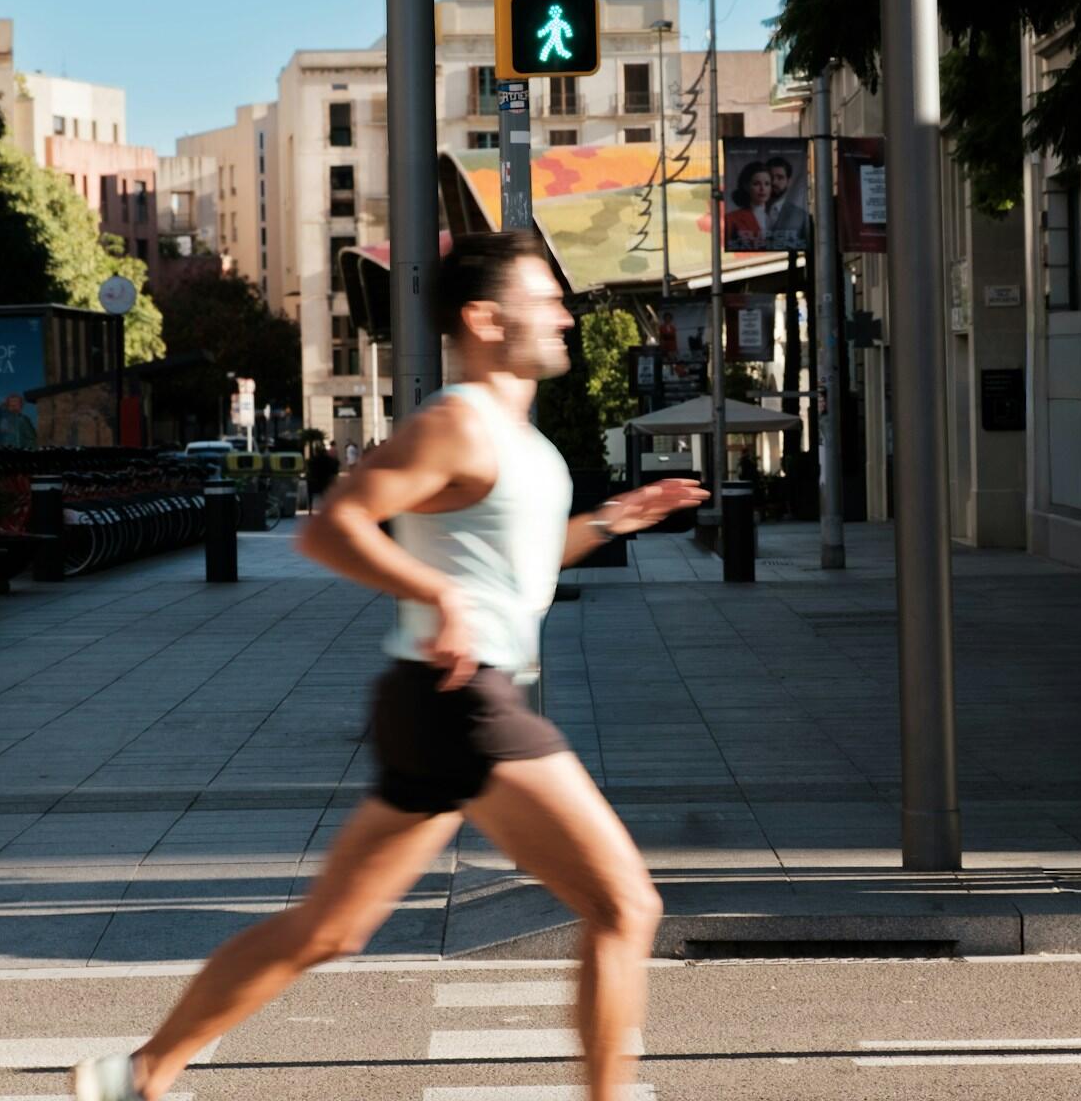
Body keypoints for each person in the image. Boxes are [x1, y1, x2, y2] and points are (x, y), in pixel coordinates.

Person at [71, 230, 707, 1101]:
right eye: (544, 298)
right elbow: (332, 525)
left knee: (327, 930)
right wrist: (437, 596)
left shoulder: (519, 440)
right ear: (485, 319)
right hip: (469, 699)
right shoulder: (457, 422)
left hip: (431, 699)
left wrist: (613, 522)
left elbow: (516, 566)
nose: (564, 312)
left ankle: (136, 1074)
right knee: (625, 907)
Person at [762, 155, 812, 253]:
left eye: (780, 178)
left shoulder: (800, 217)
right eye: (771, 177)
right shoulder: (747, 212)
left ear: (788, 181)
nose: (774, 182)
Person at [724, 160, 772, 250]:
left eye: (767, 184)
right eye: (756, 184)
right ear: (746, 186)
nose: (762, 189)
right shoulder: (732, 218)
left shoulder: (780, 215)